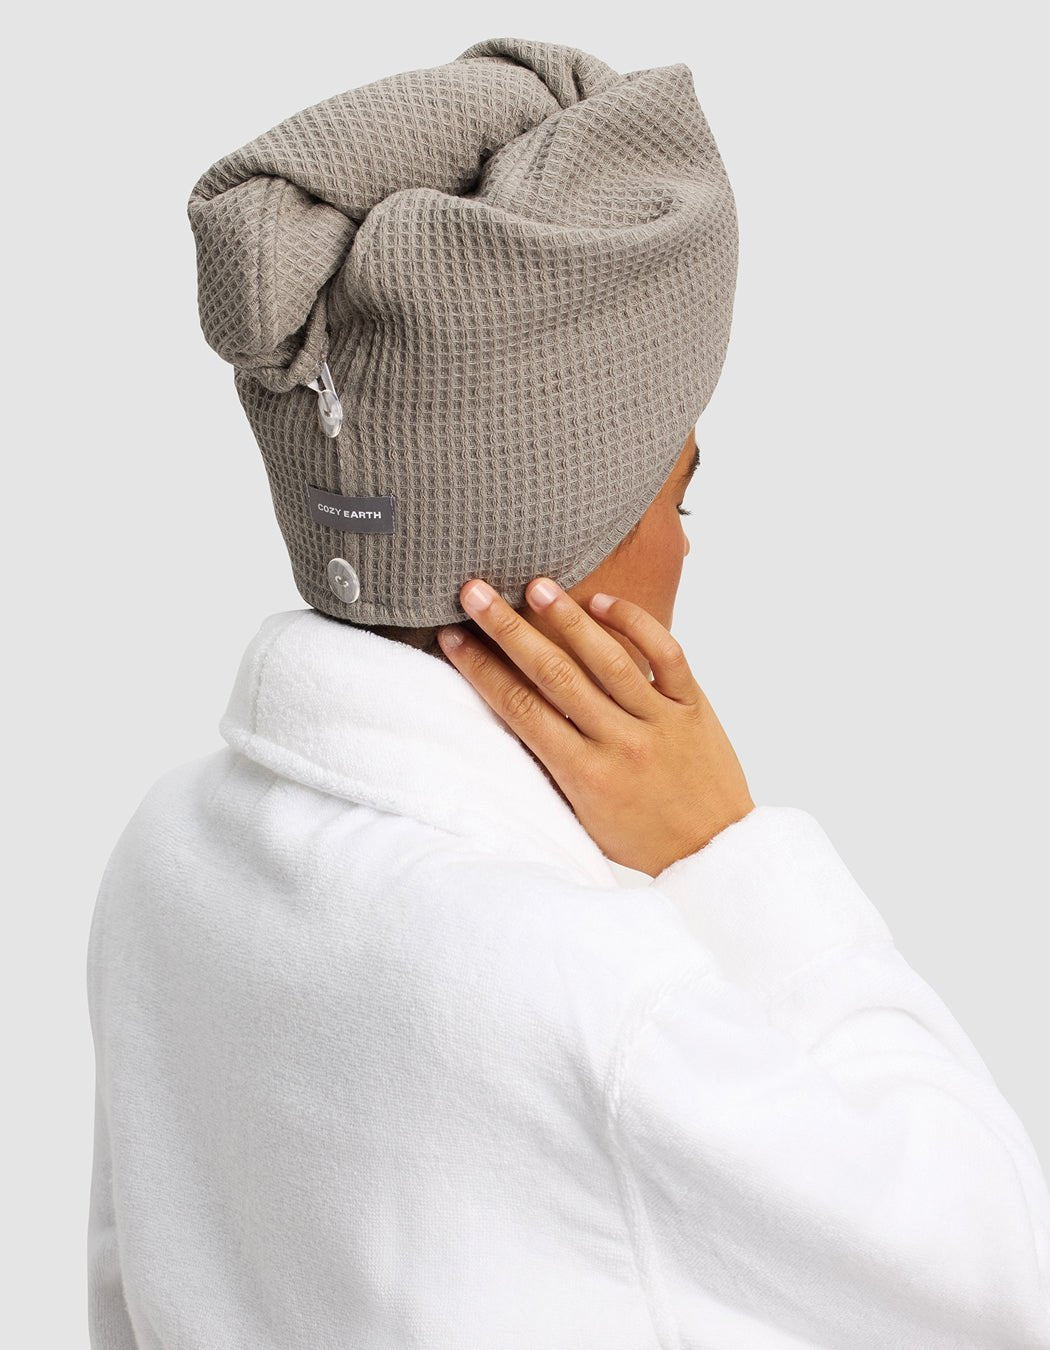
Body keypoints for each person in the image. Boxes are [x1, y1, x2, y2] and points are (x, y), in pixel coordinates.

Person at [86, 35, 1050, 1350]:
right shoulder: (588, 989)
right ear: (555, 558)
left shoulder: (163, 856)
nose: (688, 549)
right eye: (677, 494)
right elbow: (995, 1275)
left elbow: (127, 1299)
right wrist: (727, 851)